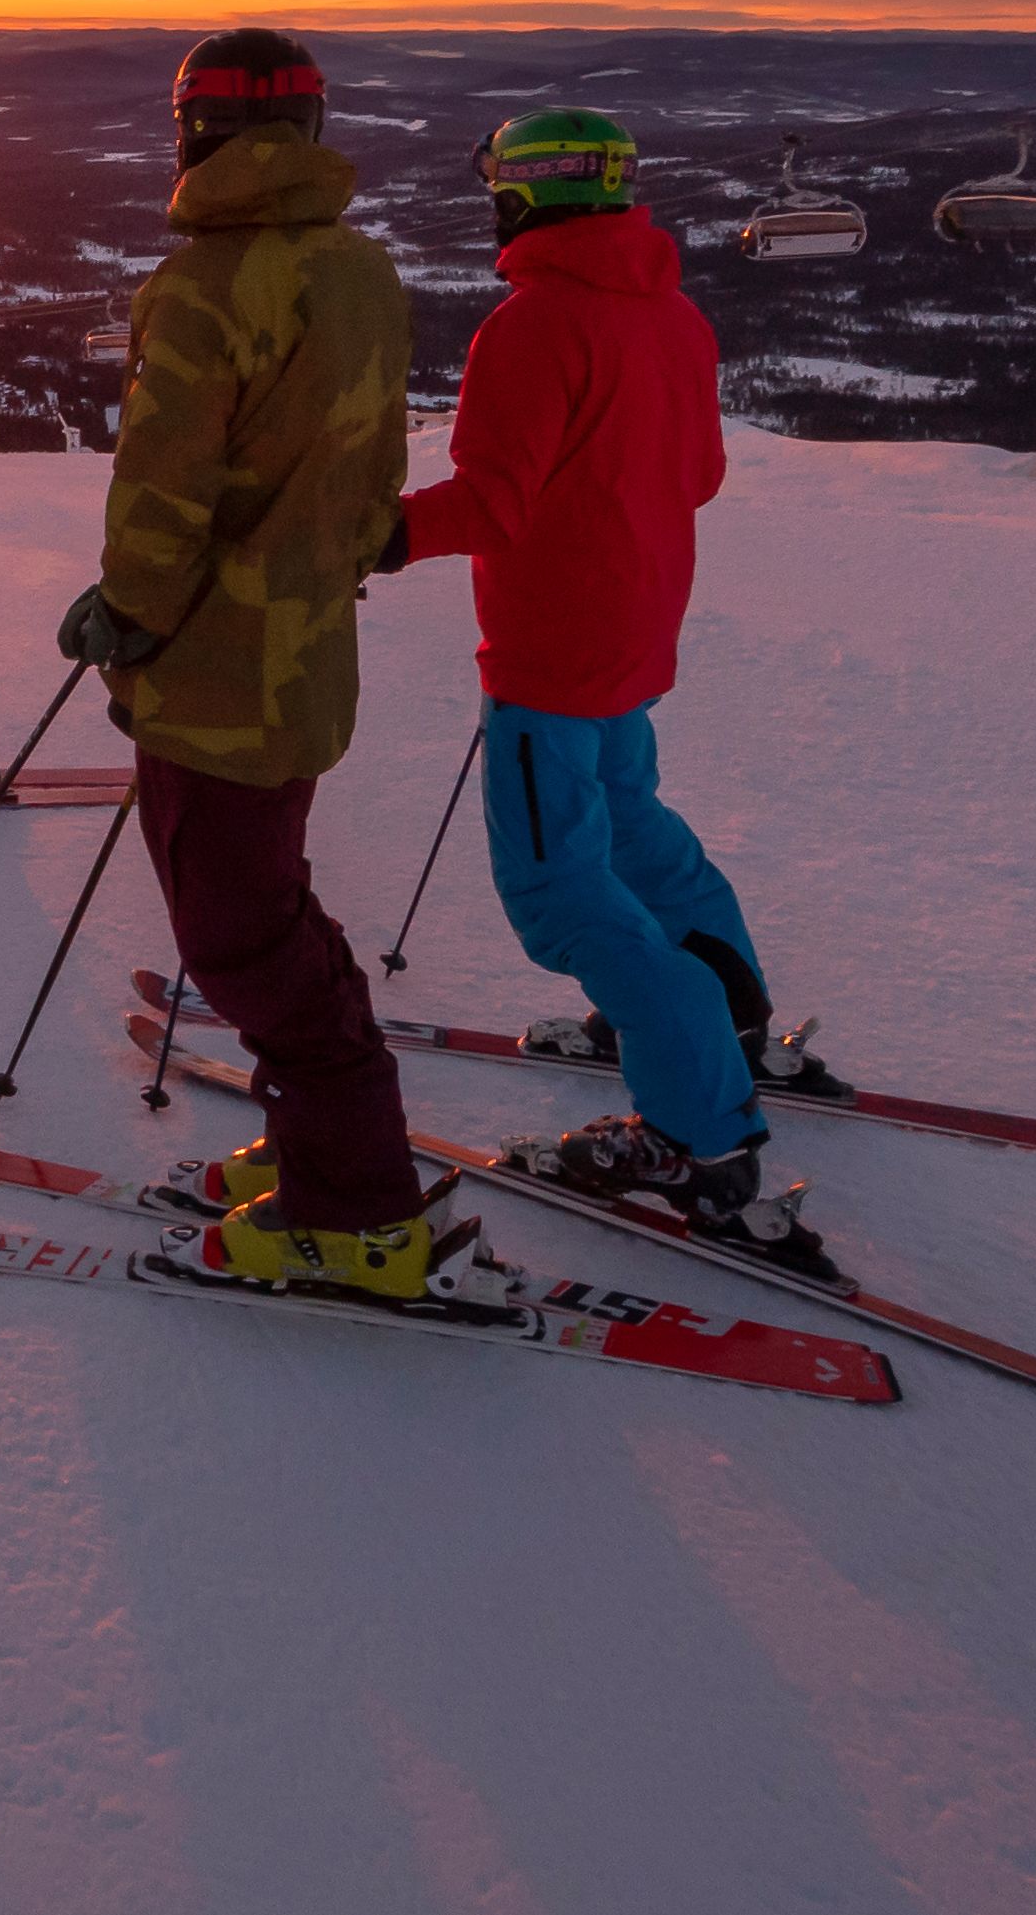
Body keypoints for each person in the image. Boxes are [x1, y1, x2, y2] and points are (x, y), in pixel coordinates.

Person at [57, 27, 510, 1314]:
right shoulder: (359, 270)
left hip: (213, 676)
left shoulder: (202, 286)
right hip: (309, 656)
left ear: (192, 130)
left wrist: (125, 611)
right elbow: (371, 484)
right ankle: (325, 1150)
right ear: (310, 130)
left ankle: (354, 1210)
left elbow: (162, 489)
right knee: (273, 908)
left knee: (240, 936)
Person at [376, 108, 819, 1270]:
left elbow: (489, 503)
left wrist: (369, 535)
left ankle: (694, 1132)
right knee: (631, 829)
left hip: (551, 649)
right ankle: (725, 1021)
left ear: (521, 196)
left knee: (562, 892)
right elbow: (702, 475)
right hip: (634, 626)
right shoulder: (669, 312)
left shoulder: (531, 326)